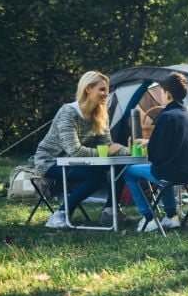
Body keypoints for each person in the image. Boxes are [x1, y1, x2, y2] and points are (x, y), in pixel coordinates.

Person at [32, 71, 129, 229]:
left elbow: (108, 145)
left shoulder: (100, 114)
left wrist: (129, 150)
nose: (106, 94)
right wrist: (109, 151)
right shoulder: (68, 112)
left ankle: (109, 213)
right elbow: (75, 151)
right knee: (97, 177)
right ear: (88, 89)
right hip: (50, 162)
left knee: (121, 167)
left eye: (107, 90)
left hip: (78, 161)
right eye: (102, 89)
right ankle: (60, 215)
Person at [123, 72, 188, 233]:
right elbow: (178, 145)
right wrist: (151, 141)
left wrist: (151, 145)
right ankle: (172, 217)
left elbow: (156, 156)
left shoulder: (166, 116)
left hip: (170, 173)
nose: (160, 95)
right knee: (165, 172)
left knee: (128, 172)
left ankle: (148, 217)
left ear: (167, 93)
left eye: (161, 91)